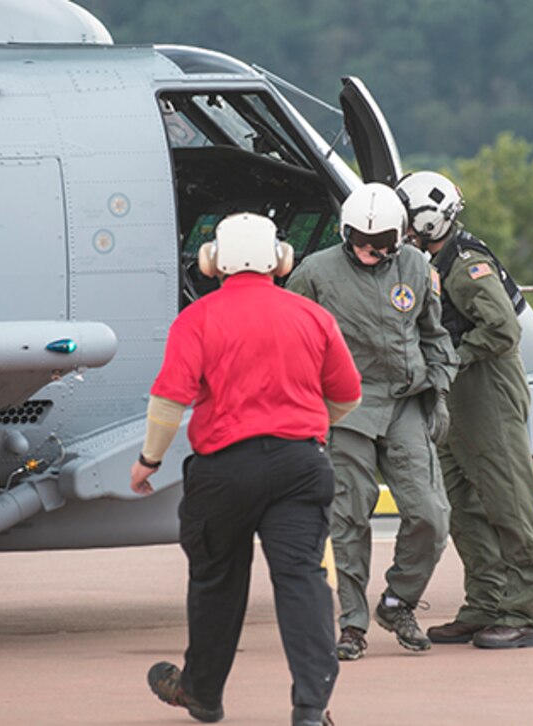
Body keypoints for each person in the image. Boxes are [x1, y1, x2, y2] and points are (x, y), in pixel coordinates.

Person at [130, 212, 361, 726]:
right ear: (281, 260)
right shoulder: (312, 317)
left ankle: (203, 695)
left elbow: (169, 401)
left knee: (217, 579)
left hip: (224, 472)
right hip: (301, 466)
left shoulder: (198, 318)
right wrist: (308, 425)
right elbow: (348, 394)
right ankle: (310, 707)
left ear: (215, 263)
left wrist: (148, 461)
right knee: (301, 579)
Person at [286, 182, 459, 661]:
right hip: (347, 408)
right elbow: (290, 340)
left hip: (405, 400)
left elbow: (434, 334)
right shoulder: (314, 274)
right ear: (345, 233)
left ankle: (398, 601)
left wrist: (439, 391)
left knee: (430, 513)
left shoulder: (416, 268)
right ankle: (352, 624)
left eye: (383, 242)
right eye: (363, 242)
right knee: (349, 515)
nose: (373, 250)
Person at [395, 170, 533, 649]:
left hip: (487, 393)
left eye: (409, 224)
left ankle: (521, 612)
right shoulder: (431, 261)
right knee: (463, 505)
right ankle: (484, 602)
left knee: (508, 500)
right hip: (457, 400)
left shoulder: (466, 263)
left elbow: (504, 330)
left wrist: (451, 357)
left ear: (429, 222)